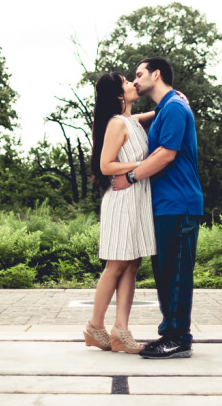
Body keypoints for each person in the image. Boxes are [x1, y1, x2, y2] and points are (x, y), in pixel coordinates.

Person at [112, 56, 203, 359]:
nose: (135, 81)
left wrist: (131, 176)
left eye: (139, 75)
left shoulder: (175, 108)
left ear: (157, 74)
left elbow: (166, 155)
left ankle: (179, 337)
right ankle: (170, 333)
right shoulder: (168, 108)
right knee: (165, 271)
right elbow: (131, 122)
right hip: (165, 206)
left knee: (176, 272)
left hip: (180, 203)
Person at [84, 71, 163, 354]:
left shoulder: (129, 120)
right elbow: (105, 166)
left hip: (135, 197)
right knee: (116, 265)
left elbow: (143, 118)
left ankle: (120, 331)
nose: (133, 84)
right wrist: (140, 166)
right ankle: (95, 326)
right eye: (127, 82)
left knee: (132, 264)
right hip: (121, 198)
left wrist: (167, 103)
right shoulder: (117, 124)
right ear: (119, 95)